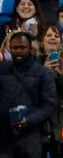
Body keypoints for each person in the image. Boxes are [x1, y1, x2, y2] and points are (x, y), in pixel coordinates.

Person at [0, 32, 57, 158]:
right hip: (1, 136)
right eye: (15, 48)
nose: (18, 51)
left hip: (30, 136)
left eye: (22, 47)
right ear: (10, 49)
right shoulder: (0, 69)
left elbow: (49, 105)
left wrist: (29, 120)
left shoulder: (43, 73)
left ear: (30, 49)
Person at [37, 26, 63, 158]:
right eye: (49, 35)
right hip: (39, 126)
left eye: (56, 36)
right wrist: (44, 71)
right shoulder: (33, 63)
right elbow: (28, 92)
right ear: (41, 42)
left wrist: (62, 76)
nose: (53, 38)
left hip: (60, 125)